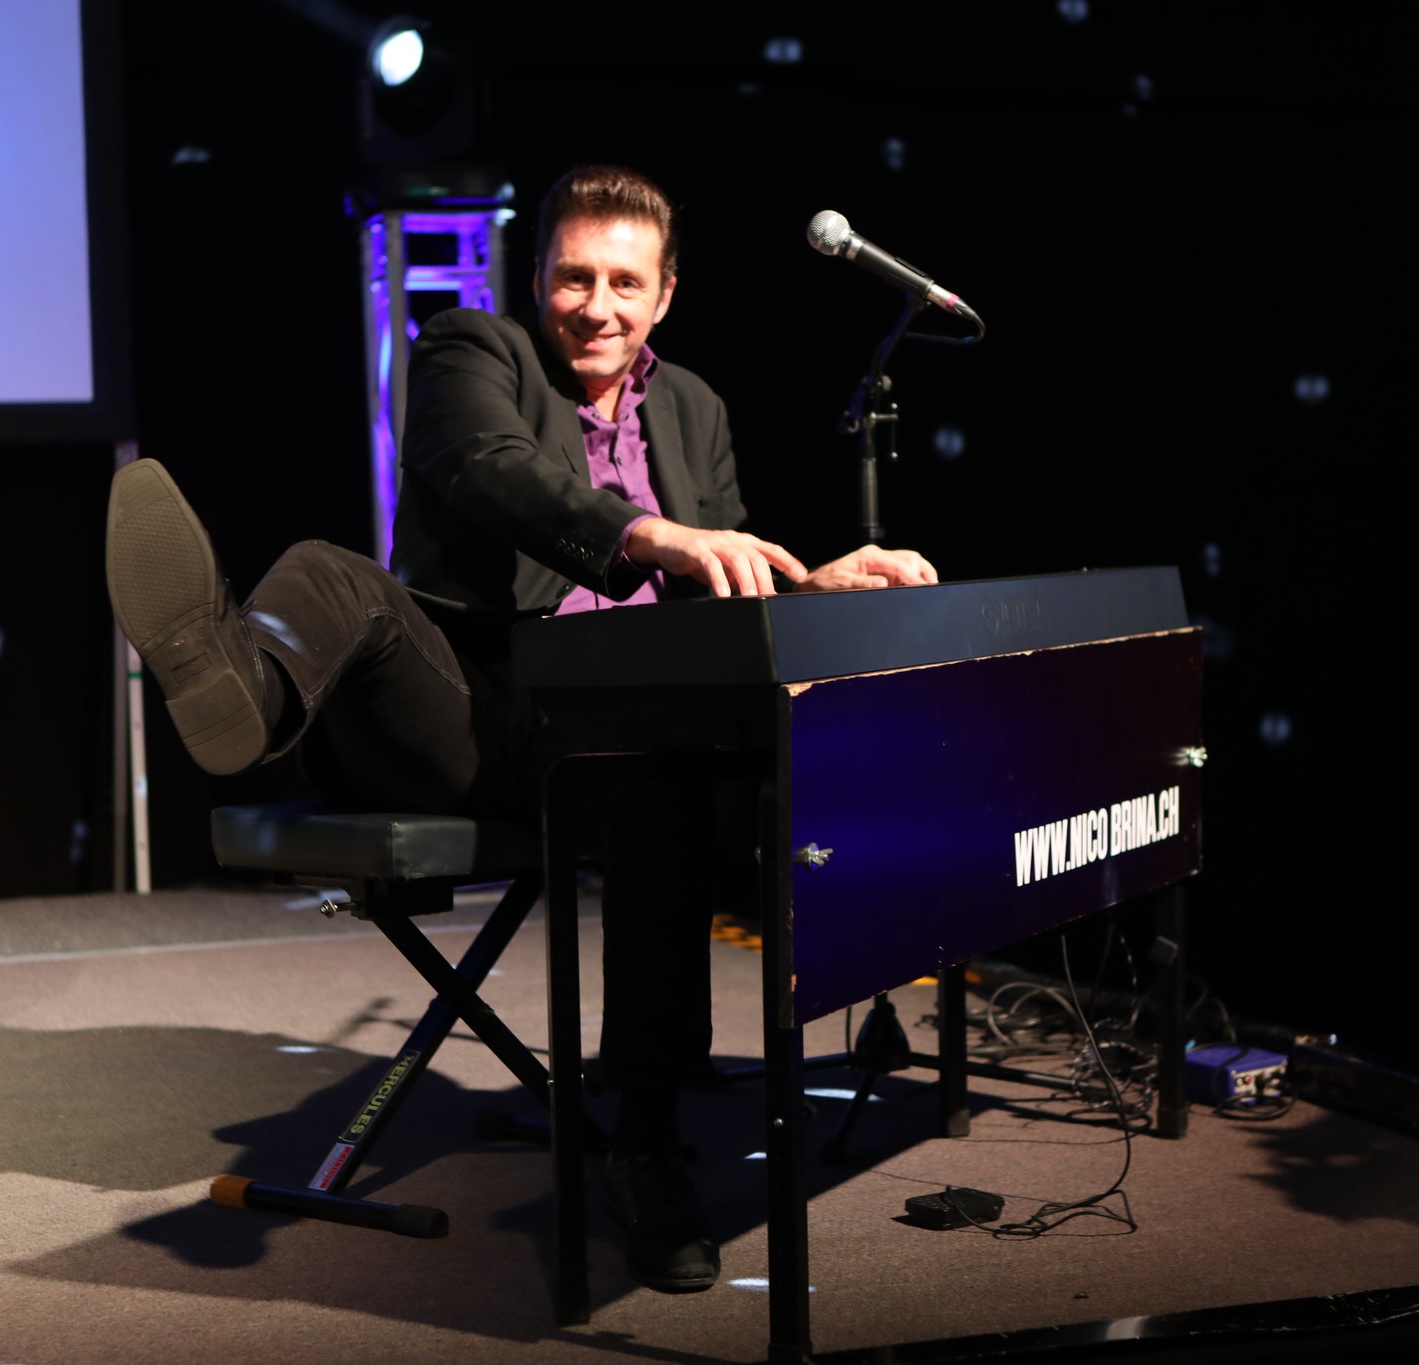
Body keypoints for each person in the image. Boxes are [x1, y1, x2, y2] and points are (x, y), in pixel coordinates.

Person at [106, 166, 936, 1291]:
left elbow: (722, 577)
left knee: (662, 770)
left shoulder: (693, 407)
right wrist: (648, 534)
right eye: (572, 278)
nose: (597, 306)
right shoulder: (470, 351)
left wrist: (809, 585)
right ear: (534, 278)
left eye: (624, 283)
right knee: (329, 568)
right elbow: (490, 472)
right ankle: (236, 689)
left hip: (625, 741)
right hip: (467, 713)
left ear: (665, 294)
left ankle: (646, 1151)